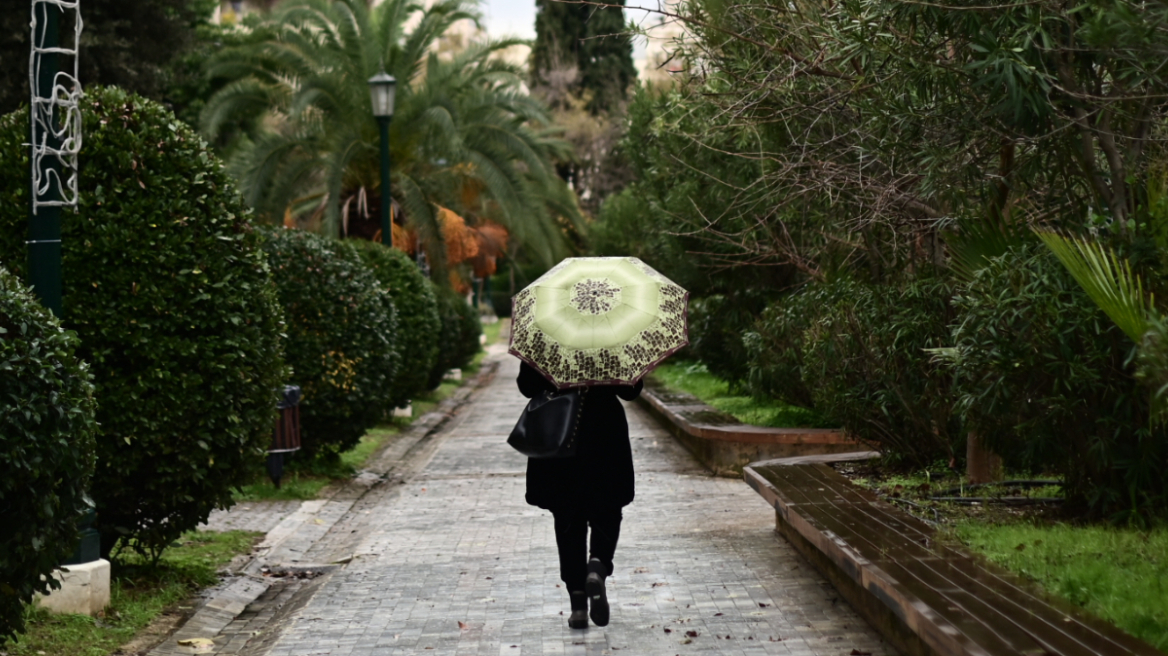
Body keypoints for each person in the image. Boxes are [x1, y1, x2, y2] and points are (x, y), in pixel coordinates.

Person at [516, 361, 644, 629]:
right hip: (604, 432)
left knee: (566, 517)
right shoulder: (612, 336)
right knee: (608, 508)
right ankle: (597, 566)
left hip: (559, 430)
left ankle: (577, 604)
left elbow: (526, 387)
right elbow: (632, 390)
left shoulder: (547, 332)